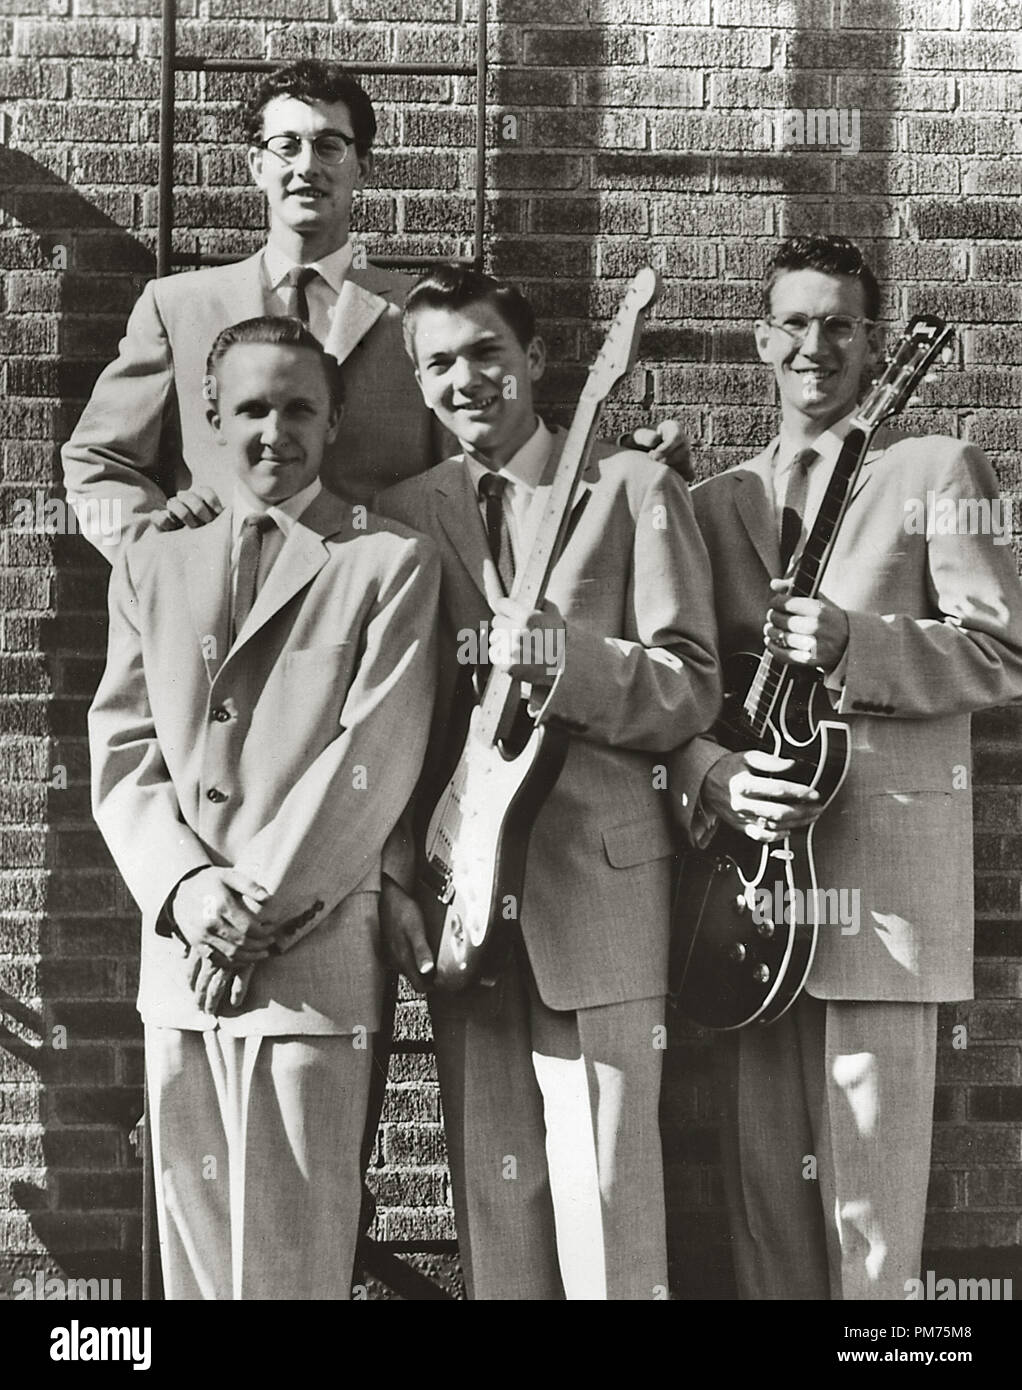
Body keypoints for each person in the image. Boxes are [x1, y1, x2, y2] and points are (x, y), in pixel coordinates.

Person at [669, 234, 1022, 1300]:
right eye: (794, 323)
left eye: (839, 325)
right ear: (758, 339)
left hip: (880, 902)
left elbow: (1001, 649)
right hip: (750, 905)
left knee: (869, 1232)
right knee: (761, 1216)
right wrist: (703, 771)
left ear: (873, 344)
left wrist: (853, 643)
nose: (814, 345)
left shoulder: (936, 471)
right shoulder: (712, 501)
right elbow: (685, 684)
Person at [376, 265, 721, 1299]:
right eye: (438, 362)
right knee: (494, 1194)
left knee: (607, 1192)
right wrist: (400, 871)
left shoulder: (631, 489)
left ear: (535, 358)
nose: (466, 377)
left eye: (486, 351)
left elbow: (690, 686)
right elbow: (398, 723)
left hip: (599, 884)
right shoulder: (401, 515)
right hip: (461, 893)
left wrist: (569, 661)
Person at [87, 317, 439, 1299]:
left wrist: (255, 913)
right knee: (195, 1272)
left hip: (310, 966)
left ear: (332, 423)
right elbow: (122, 747)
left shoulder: (387, 565)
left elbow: (374, 755)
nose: (274, 430)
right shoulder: (151, 566)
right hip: (181, 962)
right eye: (250, 407)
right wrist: (189, 889)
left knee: (292, 1267)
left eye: (298, 408)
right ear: (210, 416)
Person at [60, 58, 690, 556]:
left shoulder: (417, 316)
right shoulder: (177, 306)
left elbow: (487, 451)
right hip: (219, 611)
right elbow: (97, 460)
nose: (308, 165)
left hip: (376, 611)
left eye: (331, 146)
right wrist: (155, 548)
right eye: (287, 146)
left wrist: (612, 462)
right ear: (256, 164)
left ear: (362, 164)